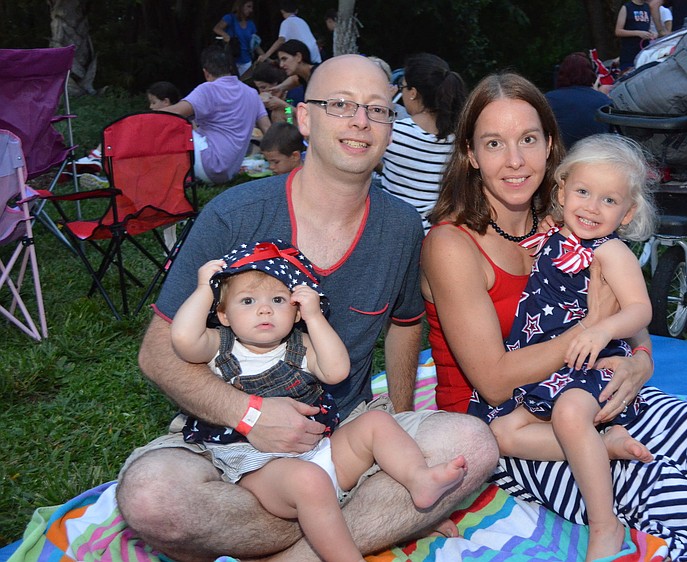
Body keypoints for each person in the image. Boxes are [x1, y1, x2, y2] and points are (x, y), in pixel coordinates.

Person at [421, 70, 687, 561]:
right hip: (515, 425)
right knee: (659, 480)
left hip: (589, 384)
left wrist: (640, 360)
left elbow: (632, 316)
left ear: (550, 147)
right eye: (494, 143)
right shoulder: (453, 245)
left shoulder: (568, 219)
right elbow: (494, 381)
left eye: (528, 140)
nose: (515, 160)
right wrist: (588, 331)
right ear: (471, 155)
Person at [115, 54, 498, 562]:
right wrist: (250, 414)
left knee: (474, 447)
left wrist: (401, 454)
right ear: (304, 118)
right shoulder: (234, 215)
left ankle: (296, 551)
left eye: (378, 110)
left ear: (390, 127)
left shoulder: (403, 227)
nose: (360, 122)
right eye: (340, 105)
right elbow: (157, 355)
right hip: (229, 444)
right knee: (153, 499)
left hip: (347, 431)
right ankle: (354, 528)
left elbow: (406, 327)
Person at [170, 239, 468, 562]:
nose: (264, 309)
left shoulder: (302, 345)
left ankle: (419, 479)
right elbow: (183, 339)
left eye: (278, 299)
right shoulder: (219, 346)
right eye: (247, 300)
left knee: (377, 423)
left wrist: (314, 318)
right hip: (262, 469)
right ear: (224, 315)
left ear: (295, 310)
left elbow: (338, 370)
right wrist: (203, 289)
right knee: (309, 482)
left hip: (320, 451)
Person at [471, 134, 657, 561]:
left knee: (571, 413)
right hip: (546, 358)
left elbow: (640, 310)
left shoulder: (610, 253)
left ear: (627, 213)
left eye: (609, 201)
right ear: (561, 192)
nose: (592, 207)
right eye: (583, 192)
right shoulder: (554, 233)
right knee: (501, 432)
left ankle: (605, 524)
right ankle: (603, 445)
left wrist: (601, 328)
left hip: (591, 363)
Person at [161, 44, 271, 185]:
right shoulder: (252, 93)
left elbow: (175, 112)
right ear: (230, 68)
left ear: (206, 73)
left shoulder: (208, 89)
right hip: (230, 172)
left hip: (209, 165)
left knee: (176, 125)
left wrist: (143, 117)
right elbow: (268, 130)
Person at [380, 53, 467, 231]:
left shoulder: (393, 133)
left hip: (395, 231)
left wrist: (384, 103)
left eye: (402, 87)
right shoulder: (458, 138)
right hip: (436, 235)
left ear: (412, 93)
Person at [544, 52, 611, 150]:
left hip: (560, 155)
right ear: (590, 73)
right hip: (594, 155)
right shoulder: (603, 100)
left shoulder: (548, 100)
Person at [258, 1, 322, 66]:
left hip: (304, 55)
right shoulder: (302, 21)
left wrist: (265, 56)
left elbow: (281, 40)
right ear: (296, 11)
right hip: (315, 54)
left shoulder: (286, 22)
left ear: (282, 11)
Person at [213, 0, 263, 77]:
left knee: (245, 84)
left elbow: (255, 45)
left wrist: (266, 57)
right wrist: (225, 35)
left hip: (246, 61)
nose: (251, 10)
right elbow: (217, 28)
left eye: (252, 7)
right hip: (231, 59)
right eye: (248, 6)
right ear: (240, 6)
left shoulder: (251, 24)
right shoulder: (230, 18)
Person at [615, 0, 655, 74]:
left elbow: (645, 27)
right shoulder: (627, 7)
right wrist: (637, 33)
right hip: (629, 53)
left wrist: (651, 34)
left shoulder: (647, 7)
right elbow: (618, 31)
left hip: (643, 52)